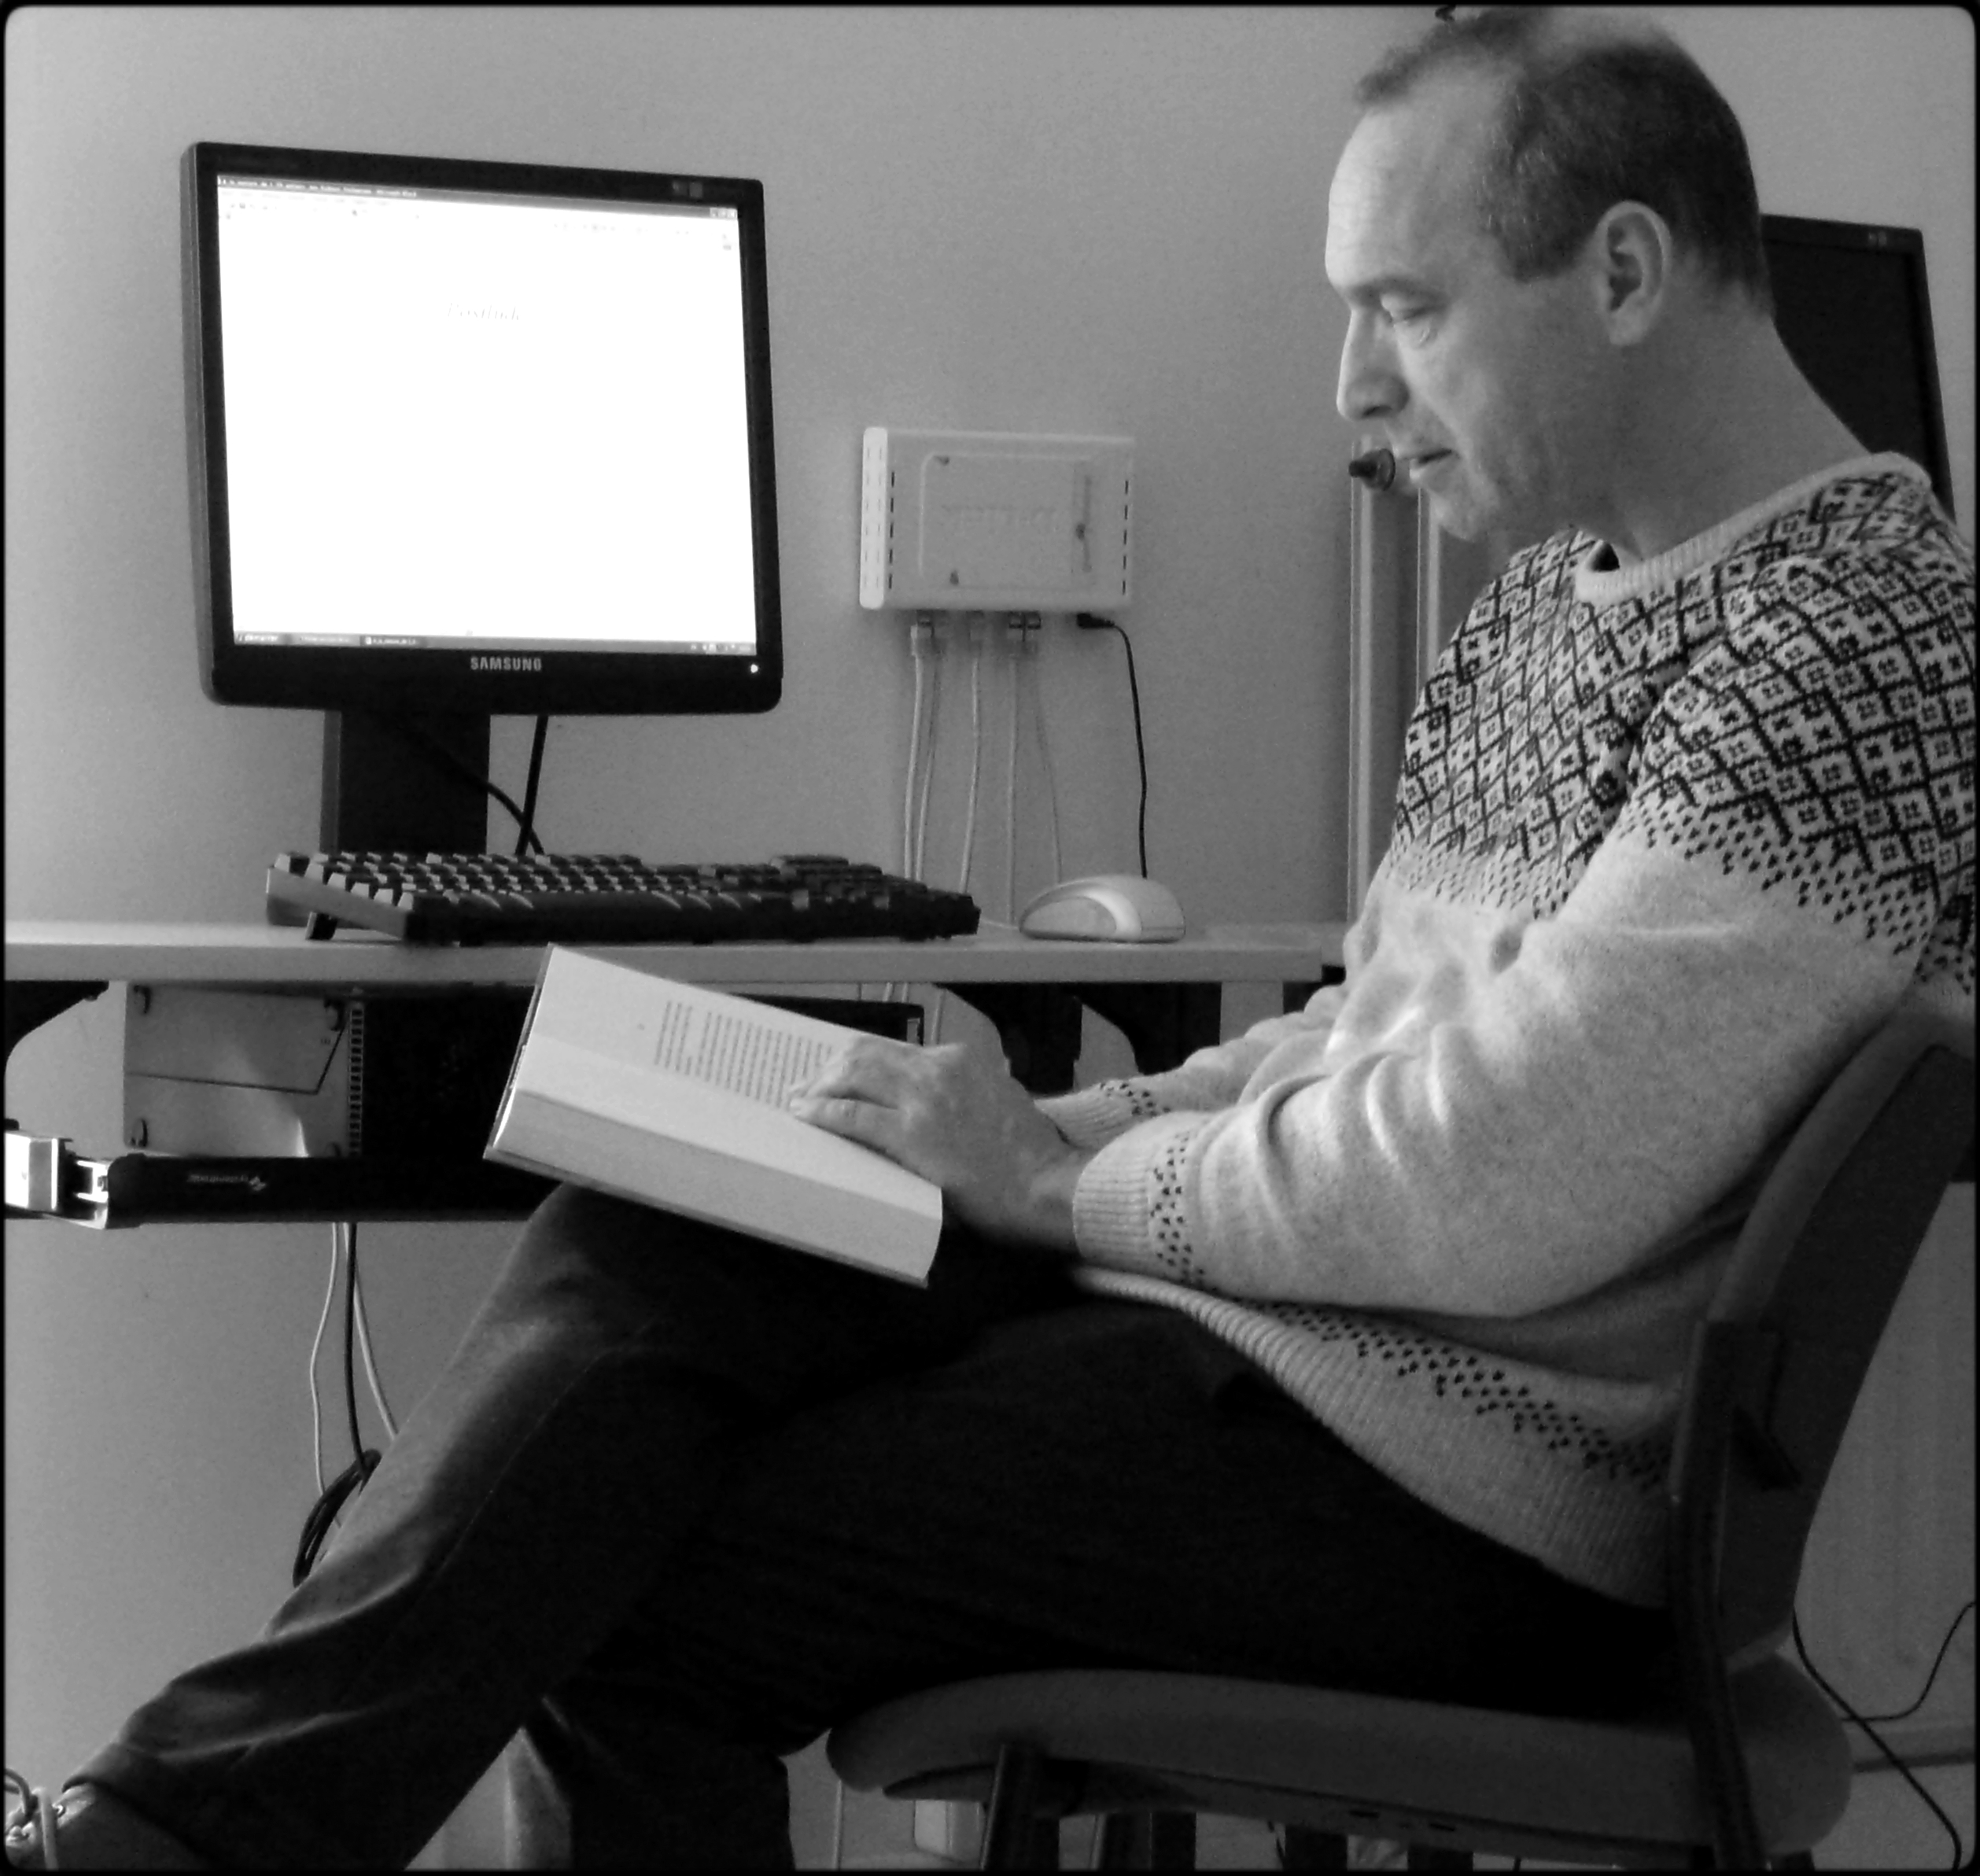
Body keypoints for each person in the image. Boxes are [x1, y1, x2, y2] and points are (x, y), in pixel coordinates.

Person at [8, 7, 1972, 1867]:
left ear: (1620, 273)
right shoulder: (1551, 600)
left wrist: (1052, 1183)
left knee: (594, 1558)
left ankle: (158, 1835)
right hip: (1304, 1348)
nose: (1351, 388)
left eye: (1402, 307)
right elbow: (1353, 1046)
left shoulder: (1845, 648)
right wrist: (1040, 1131)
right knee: (661, 1227)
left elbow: (1497, 1177)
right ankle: (158, 1830)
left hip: (1474, 1485)